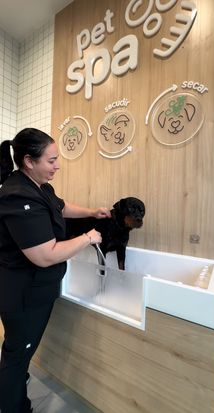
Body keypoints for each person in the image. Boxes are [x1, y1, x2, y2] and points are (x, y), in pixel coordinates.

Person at [0, 128, 111, 413]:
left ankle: (13, 378)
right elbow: (44, 255)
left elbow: (60, 208)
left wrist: (90, 212)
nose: (57, 165)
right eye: (51, 160)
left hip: (36, 290)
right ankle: (13, 403)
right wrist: (88, 238)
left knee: (20, 350)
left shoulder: (40, 187)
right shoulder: (16, 195)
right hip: (23, 293)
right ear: (28, 160)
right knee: (18, 350)